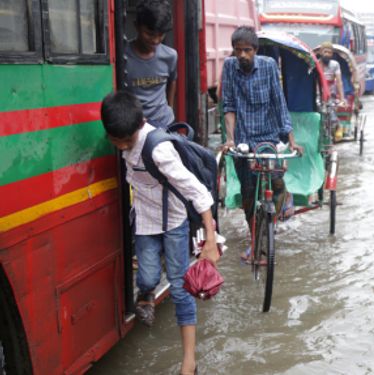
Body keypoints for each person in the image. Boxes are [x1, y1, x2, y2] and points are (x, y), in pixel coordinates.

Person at [101, 91, 219, 375]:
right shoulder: (121, 132)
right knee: (148, 277)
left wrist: (211, 238)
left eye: (126, 141)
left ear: (139, 127)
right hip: (144, 220)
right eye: (115, 141)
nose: (121, 147)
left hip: (174, 222)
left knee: (180, 290)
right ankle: (146, 295)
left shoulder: (158, 150)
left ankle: (189, 360)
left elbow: (197, 191)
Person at [220, 27, 303, 259]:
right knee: (248, 196)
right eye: (238, 51)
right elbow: (229, 106)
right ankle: (256, 242)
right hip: (244, 138)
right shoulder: (229, 67)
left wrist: (291, 139)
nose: (243, 55)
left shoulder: (267, 66)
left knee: (275, 182)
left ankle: (283, 196)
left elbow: (279, 103)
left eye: (247, 50)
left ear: (255, 50)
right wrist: (230, 139)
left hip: (268, 136)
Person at [125, 0, 177, 129]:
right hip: (134, 127)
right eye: (149, 34)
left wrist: (170, 108)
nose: (155, 40)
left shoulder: (170, 56)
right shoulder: (123, 56)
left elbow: (172, 81)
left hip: (164, 124)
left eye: (160, 35)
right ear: (136, 26)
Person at [318, 41, 347, 140]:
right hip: (318, 94)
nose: (327, 54)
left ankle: (338, 126)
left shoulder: (335, 65)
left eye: (330, 52)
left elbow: (339, 82)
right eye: (325, 52)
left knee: (332, 114)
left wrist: (342, 99)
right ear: (321, 52)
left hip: (331, 94)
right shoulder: (316, 63)